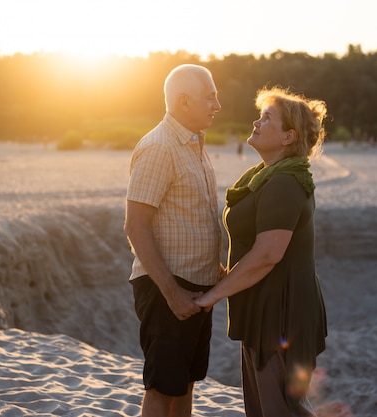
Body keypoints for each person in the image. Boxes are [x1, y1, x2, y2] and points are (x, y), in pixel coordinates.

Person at [195, 86, 328, 416]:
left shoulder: (284, 182)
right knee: (274, 407)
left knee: (277, 408)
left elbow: (268, 254)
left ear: (288, 137)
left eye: (267, 118)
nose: (256, 122)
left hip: (279, 315)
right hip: (266, 309)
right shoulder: (268, 177)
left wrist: (211, 296)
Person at [124, 64, 224, 417]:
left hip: (198, 288)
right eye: (210, 97)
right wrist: (172, 293)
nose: (217, 104)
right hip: (167, 288)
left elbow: (192, 217)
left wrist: (216, 271)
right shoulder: (159, 147)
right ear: (183, 101)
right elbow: (135, 225)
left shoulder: (194, 143)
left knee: (185, 384)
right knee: (162, 389)